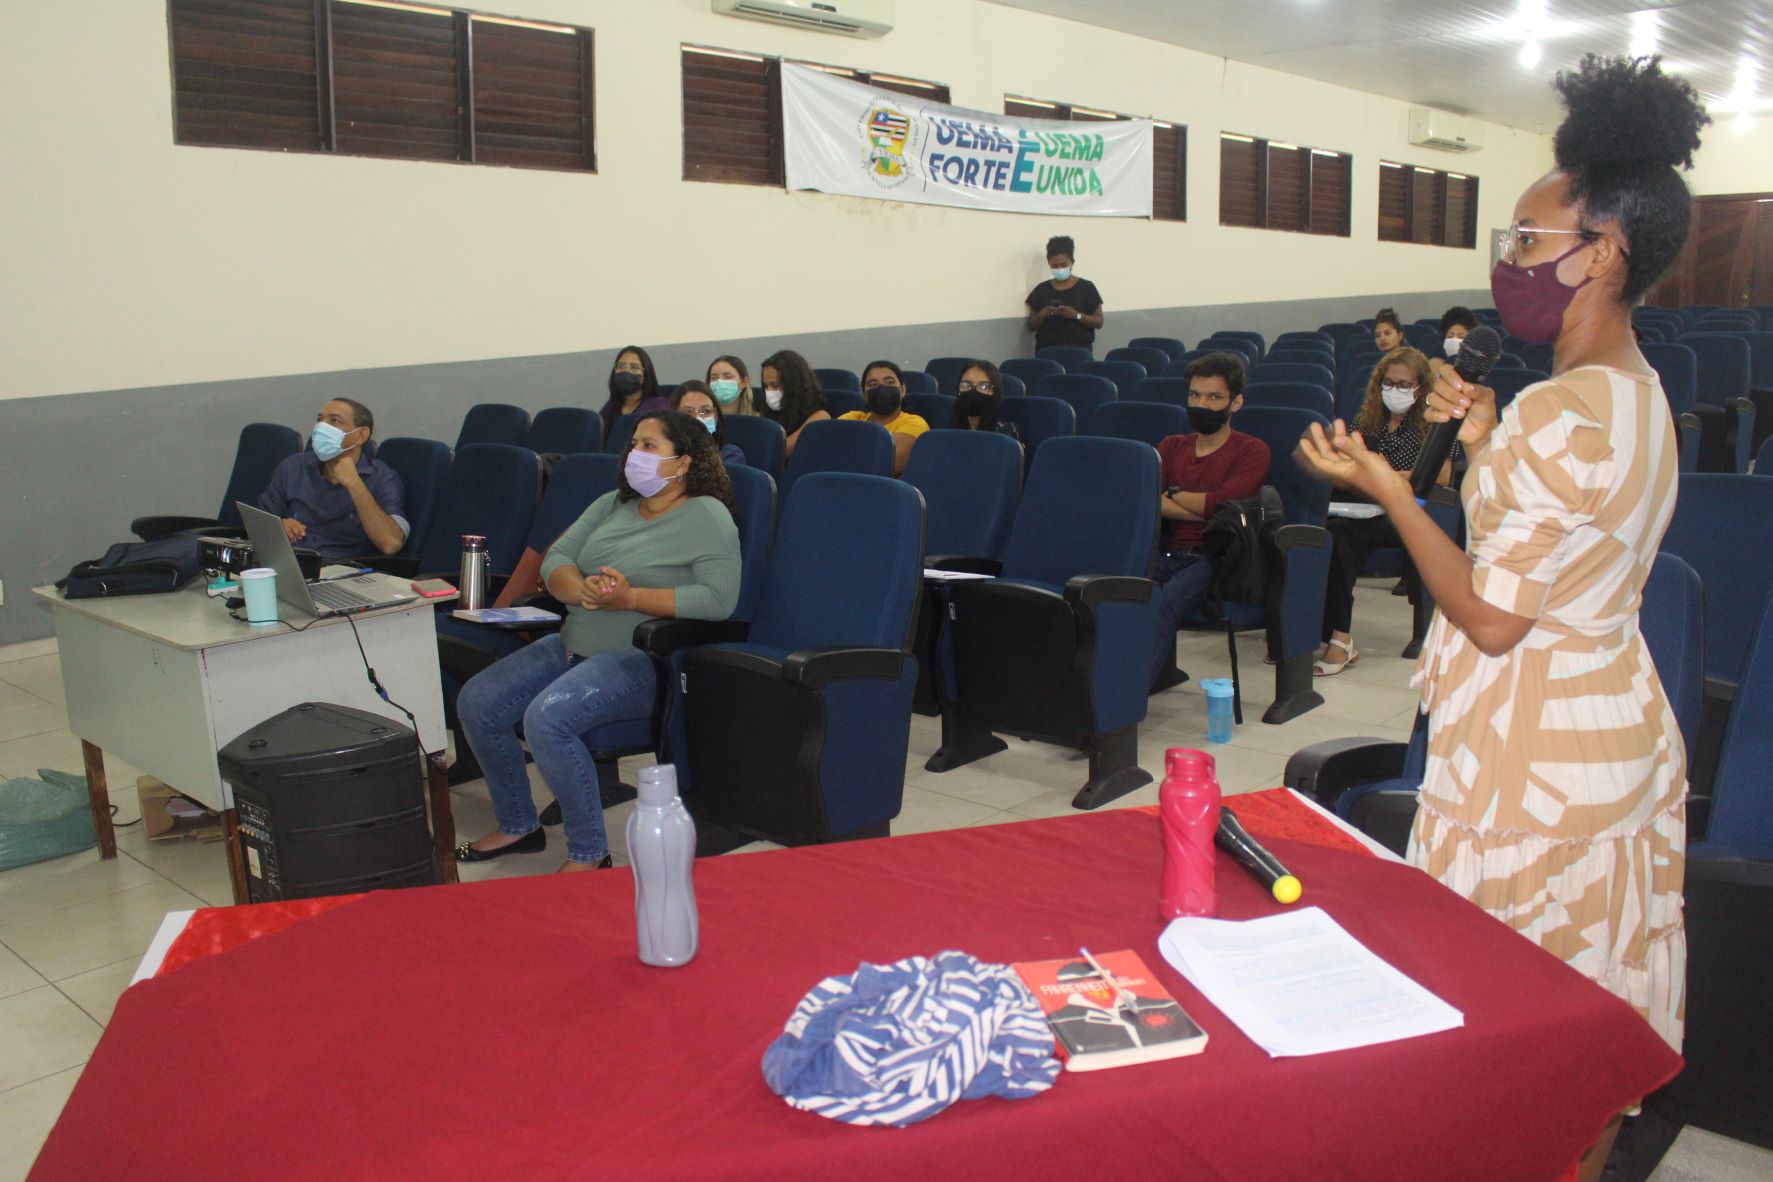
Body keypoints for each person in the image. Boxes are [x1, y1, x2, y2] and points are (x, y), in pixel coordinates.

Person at [1297, 57, 1703, 1135]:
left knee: (1506, 1019)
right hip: (1606, 726)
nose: (1507, 260)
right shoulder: (1633, 392)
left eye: (1528, 240)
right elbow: (1559, 555)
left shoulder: (1556, 414)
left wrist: (1392, 487)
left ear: (1602, 255)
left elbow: (1486, 614)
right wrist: (1481, 449)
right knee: (1586, 999)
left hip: (1533, 763)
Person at [454, 410, 741, 871]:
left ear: (683, 463)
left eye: (649, 446)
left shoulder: (708, 515)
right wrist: (579, 590)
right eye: (633, 444)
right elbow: (558, 558)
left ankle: (590, 853)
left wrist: (631, 597)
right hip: (573, 640)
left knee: (546, 720)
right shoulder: (613, 503)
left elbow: (719, 599)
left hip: (640, 658)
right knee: (478, 702)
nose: (635, 454)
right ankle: (518, 824)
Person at [1315, 347, 1459, 676]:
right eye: (1389, 383)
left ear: (1421, 387)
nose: (1394, 390)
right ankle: (1306, 634)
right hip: (1360, 506)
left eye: (1404, 385)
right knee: (1319, 530)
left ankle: (1339, 639)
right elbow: (1346, 464)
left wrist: (1384, 478)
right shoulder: (1367, 420)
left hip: (1409, 514)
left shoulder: (1433, 423)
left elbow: (1441, 475)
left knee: (1340, 537)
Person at [1149, 352, 1271, 688]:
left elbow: (1223, 506)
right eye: (1194, 395)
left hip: (1217, 557)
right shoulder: (1172, 446)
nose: (1201, 404)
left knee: (1169, 598)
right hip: (1169, 550)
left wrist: (1171, 495)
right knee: (1119, 589)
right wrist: (1198, 504)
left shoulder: (1253, 450)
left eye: (1214, 397)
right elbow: (1147, 499)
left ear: (1236, 402)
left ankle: (1127, 697)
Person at [257, 398, 408, 559]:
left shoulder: (382, 478)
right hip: (290, 562)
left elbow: (391, 544)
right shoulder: (293, 466)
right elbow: (258, 523)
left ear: (361, 435)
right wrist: (279, 526)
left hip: (345, 569)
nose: (322, 427)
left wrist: (355, 484)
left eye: (334, 420)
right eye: (320, 420)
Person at [839, 360, 928, 475]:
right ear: (865, 395)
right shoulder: (851, 418)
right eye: (873, 385)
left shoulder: (915, 423)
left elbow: (889, 464)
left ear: (903, 390)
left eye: (889, 383)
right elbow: (829, 448)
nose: (881, 388)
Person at [1025, 235, 1104, 354]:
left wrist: (1076, 315)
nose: (1059, 269)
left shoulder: (1086, 287)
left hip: (1079, 349)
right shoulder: (1041, 289)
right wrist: (1043, 314)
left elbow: (1099, 322)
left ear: (1072, 262)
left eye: (1063, 265)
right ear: (1049, 263)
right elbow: (1031, 325)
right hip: (1046, 349)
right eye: (1054, 266)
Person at [758, 349, 830, 457]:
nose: (769, 391)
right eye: (766, 386)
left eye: (775, 385)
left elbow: (782, 450)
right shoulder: (766, 412)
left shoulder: (820, 416)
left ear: (793, 385)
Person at [671, 380, 747, 468]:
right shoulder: (663, 455)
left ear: (715, 417)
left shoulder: (730, 455)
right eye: (688, 412)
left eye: (706, 411)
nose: (697, 419)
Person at [599, 346, 665, 437]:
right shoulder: (611, 407)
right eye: (621, 366)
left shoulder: (658, 406)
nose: (626, 371)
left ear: (645, 376)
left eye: (634, 367)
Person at [950, 360, 1020, 441]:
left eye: (984, 387)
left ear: (995, 392)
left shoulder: (1007, 433)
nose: (973, 391)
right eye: (966, 385)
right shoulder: (952, 430)